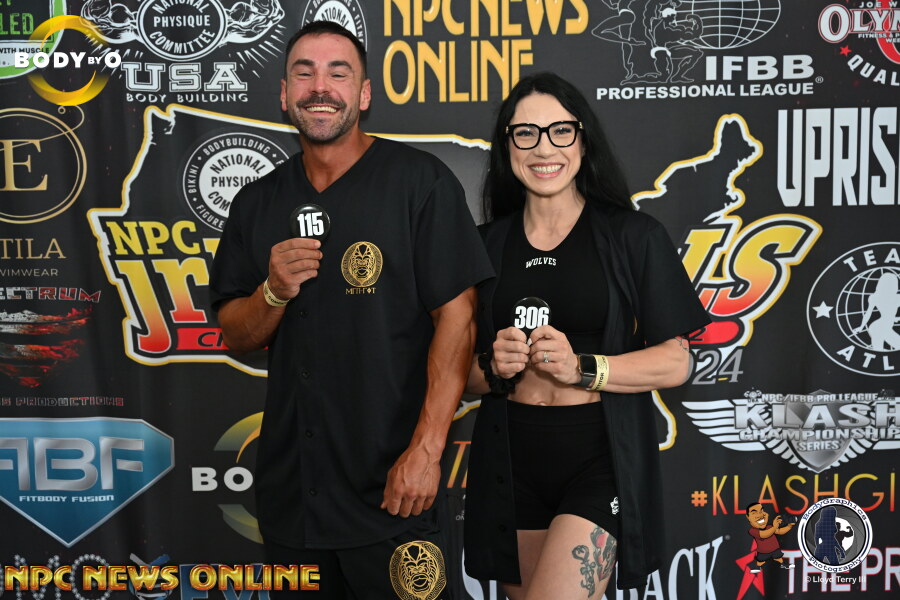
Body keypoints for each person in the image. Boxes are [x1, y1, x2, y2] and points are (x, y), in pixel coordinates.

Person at [209, 20, 493, 599]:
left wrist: (426, 451)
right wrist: (272, 292)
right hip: (295, 498)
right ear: (284, 94)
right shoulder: (257, 201)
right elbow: (235, 333)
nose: (321, 87)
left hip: (395, 491)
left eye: (338, 73)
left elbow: (459, 319)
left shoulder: (419, 183)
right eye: (304, 73)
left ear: (363, 95)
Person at [462, 72, 710, 598]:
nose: (543, 148)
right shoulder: (482, 247)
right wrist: (492, 366)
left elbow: (677, 361)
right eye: (525, 133)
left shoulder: (632, 236)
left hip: (598, 458)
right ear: (507, 146)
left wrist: (583, 368)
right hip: (509, 462)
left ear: (583, 139)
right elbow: (455, 378)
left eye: (560, 131)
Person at [745, 502, 796, 572]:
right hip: (763, 552)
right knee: (760, 560)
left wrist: (789, 526)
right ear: (748, 517)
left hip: (775, 549)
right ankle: (758, 567)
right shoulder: (753, 530)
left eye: (761, 511)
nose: (760, 515)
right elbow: (764, 534)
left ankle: (783, 564)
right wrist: (774, 527)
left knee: (779, 558)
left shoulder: (770, 527)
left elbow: (780, 531)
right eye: (754, 513)